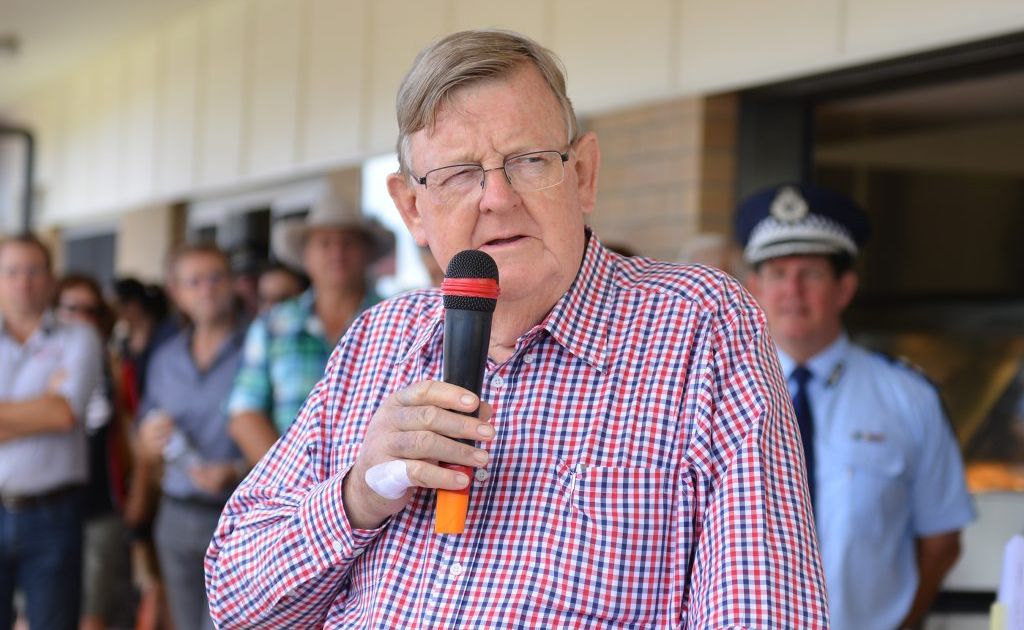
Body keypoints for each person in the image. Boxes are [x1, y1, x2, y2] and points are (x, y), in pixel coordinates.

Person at [206, 29, 828, 628]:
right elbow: (234, 599)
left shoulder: (701, 325)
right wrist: (355, 499)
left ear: (582, 174)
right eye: (457, 174)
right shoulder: (379, 339)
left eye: (529, 161)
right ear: (412, 209)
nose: (496, 198)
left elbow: (763, 610)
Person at [736, 183, 975, 630]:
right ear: (754, 288)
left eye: (811, 274)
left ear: (844, 288)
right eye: (777, 272)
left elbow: (942, 541)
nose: (792, 290)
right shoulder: (717, 392)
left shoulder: (908, 396)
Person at [227, 195, 391, 464]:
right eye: (325, 243)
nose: (337, 253)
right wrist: (289, 479)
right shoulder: (272, 326)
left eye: (348, 243)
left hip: (379, 490)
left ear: (367, 254)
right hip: (291, 487)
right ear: (306, 256)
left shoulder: (395, 321)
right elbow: (244, 413)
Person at [137, 243, 247, 630]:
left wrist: (236, 468)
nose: (206, 290)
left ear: (233, 283)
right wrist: (148, 437)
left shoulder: (257, 345)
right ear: (176, 292)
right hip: (176, 512)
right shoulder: (165, 357)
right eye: (193, 281)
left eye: (215, 278)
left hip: (240, 515)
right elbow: (144, 429)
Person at [0, 234, 103, 630]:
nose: (23, 282)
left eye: (33, 271)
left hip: (52, 514)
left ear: (50, 278)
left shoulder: (79, 336)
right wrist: (39, 405)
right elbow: (51, 410)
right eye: (12, 272)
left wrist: (52, 407)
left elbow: (63, 414)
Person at [54, 275, 136, 630]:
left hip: (101, 503)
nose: (81, 318)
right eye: (72, 308)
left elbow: (130, 433)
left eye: (91, 310)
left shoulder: (115, 364)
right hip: (47, 504)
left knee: (94, 610)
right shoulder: (36, 360)